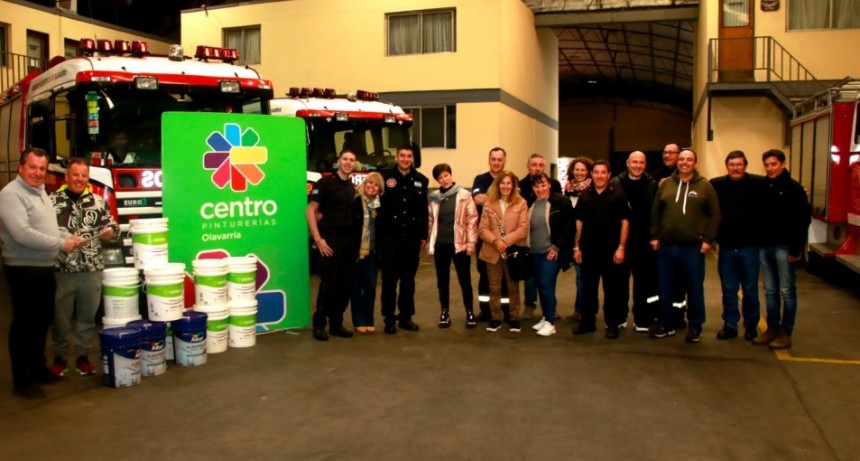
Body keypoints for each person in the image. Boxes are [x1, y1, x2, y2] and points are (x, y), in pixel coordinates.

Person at [0, 148, 85, 399]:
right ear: (21, 166)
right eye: (33, 167)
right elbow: (22, 233)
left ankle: (37, 369)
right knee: (25, 323)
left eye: (42, 168)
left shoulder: (40, 193)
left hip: (44, 267)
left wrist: (67, 237)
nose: (38, 173)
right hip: (22, 268)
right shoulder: (10, 195)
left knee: (40, 321)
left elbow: (47, 227)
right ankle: (21, 379)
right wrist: (60, 245)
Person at [49, 158, 118, 377]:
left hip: (91, 269)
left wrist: (109, 232)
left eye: (83, 175)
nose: (79, 179)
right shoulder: (51, 201)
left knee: (87, 318)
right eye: (75, 175)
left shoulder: (98, 201)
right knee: (60, 319)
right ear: (67, 176)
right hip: (63, 270)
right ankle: (59, 357)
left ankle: (83, 357)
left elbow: (113, 227)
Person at [649, 148, 720, 343]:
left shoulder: (705, 187)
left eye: (689, 160)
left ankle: (695, 326)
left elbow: (714, 215)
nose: (684, 163)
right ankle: (665, 323)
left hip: (693, 248)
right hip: (666, 247)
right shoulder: (665, 185)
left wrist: (708, 240)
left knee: (694, 287)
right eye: (681, 159)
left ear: (695, 163)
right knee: (665, 287)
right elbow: (655, 211)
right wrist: (655, 235)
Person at [754, 149, 811, 350]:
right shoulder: (763, 186)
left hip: (784, 247)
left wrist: (795, 250)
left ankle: (786, 333)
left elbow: (803, 220)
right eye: (767, 164)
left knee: (787, 291)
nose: (770, 168)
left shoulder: (794, 189)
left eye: (774, 164)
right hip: (765, 247)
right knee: (770, 291)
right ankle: (772, 329)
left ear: (783, 164)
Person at [710, 150, 764, 341]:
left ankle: (751, 326)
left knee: (750, 289)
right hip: (726, 248)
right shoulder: (716, 184)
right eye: (732, 164)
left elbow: (778, 186)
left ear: (745, 166)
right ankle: (730, 325)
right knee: (729, 289)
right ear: (727, 166)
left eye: (739, 164)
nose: (736, 168)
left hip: (750, 247)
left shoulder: (758, 183)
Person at [573, 161, 630, 339]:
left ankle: (612, 324)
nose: (599, 176)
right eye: (596, 172)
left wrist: (621, 248)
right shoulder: (585, 196)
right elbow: (578, 223)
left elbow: (625, 222)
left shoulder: (618, 195)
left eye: (603, 172)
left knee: (611, 290)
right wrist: (576, 247)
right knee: (588, 289)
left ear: (608, 174)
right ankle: (587, 323)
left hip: (611, 252)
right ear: (591, 174)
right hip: (589, 251)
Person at [306, 149, 358, 341]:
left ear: (355, 164)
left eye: (352, 160)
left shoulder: (351, 187)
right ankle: (319, 324)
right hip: (330, 240)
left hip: (349, 242)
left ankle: (337, 324)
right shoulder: (325, 183)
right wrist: (318, 239)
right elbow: (310, 211)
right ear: (338, 161)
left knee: (345, 285)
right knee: (329, 284)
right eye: (345, 159)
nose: (348, 163)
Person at [378, 145, 429, 334]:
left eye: (409, 156)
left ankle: (406, 317)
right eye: (402, 155)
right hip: (390, 238)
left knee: (408, 280)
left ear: (413, 158)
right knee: (390, 280)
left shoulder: (421, 180)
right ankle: (389, 319)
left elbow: (423, 211)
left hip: (411, 238)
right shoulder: (385, 178)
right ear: (396, 157)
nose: (406, 159)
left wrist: (423, 235)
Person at [609, 151, 659, 332]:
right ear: (627, 163)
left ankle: (642, 318)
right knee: (619, 282)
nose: (638, 166)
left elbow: (656, 212)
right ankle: (619, 317)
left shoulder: (652, 184)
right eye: (634, 162)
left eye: (641, 162)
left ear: (645, 164)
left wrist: (654, 236)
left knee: (643, 284)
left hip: (644, 242)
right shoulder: (615, 183)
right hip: (620, 241)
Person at [428, 164, 478, 329]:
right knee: (442, 281)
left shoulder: (464, 195)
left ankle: (470, 312)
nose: (444, 179)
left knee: (465, 280)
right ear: (437, 180)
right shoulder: (434, 197)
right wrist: (430, 242)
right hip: (441, 244)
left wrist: (471, 243)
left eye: (446, 175)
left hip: (460, 244)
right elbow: (430, 220)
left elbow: (472, 220)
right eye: (440, 177)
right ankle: (444, 312)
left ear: (451, 175)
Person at [478, 171, 528, 333]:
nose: (505, 186)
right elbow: (482, 229)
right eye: (502, 183)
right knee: (494, 287)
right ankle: (496, 318)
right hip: (492, 251)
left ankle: (514, 318)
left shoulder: (521, 203)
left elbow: (523, 229)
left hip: (512, 252)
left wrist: (505, 242)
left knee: (512, 286)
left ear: (513, 186)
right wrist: (496, 241)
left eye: (509, 183)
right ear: (497, 185)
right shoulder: (489, 203)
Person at [528, 173, 574, 337]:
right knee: (541, 285)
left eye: (543, 185)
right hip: (535, 252)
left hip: (551, 252)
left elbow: (569, 227)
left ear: (549, 185)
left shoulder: (560, 202)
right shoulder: (531, 203)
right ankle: (545, 317)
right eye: (536, 186)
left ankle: (550, 322)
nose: (540, 189)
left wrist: (556, 247)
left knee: (547, 285)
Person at [517, 153, 562, 319]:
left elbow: (561, 218)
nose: (537, 168)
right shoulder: (521, 185)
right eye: (533, 164)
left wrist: (557, 244)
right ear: (528, 166)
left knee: (548, 280)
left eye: (540, 165)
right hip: (530, 244)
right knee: (530, 279)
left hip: (550, 245)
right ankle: (530, 305)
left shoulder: (555, 187)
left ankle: (550, 309)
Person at [652, 142, 688, 328]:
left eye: (671, 153)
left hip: (683, 241)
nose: (667, 155)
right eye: (665, 152)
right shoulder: (657, 176)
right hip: (663, 240)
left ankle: (678, 315)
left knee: (680, 282)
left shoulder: (687, 178)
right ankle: (660, 313)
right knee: (662, 280)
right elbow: (654, 209)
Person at [471, 147, 509, 322]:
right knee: (485, 275)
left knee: (507, 276)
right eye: (493, 159)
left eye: (499, 159)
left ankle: (506, 311)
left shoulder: (511, 179)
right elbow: (478, 198)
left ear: (504, 161)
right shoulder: (481, 179)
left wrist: (490, 200)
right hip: (486, 238)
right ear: (489, 160)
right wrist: (500, 200)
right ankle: (485, 311)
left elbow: (516, 200)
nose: (496, 162)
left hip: (507, 238)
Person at [351, 172, 384, 334]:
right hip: (357, 252)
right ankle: (358, 320)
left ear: (379, 189)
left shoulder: (378, 205)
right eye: (369, 183)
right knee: (356, 287)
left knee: (370, 286)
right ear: (364, 184)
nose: (372, 186)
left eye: (376, 185)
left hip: (372, 252)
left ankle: (369, 319)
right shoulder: (356, 201)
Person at [563, 157, 593, 320]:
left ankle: (582, 310)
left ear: (588, 172)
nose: (580, 173)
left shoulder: (592, 190)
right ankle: (579, 309)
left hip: (586, 238)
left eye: (583, 170)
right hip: (571, 237)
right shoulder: (568, 189)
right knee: (580, 276)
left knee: (583, 276)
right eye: (577, 169)